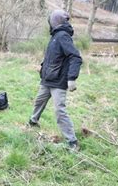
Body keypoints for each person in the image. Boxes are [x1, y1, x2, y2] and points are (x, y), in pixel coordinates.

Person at [29, 9, 82, 151]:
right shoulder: (54, 37)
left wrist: (72, 78)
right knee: (39, 101)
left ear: (56, 21)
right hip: (47, 80)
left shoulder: (63, 36)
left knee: (59, 110)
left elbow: (75, 57)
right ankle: (33, 121)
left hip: (58, 82)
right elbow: (52, 57)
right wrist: (42, 69)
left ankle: (72, 141)